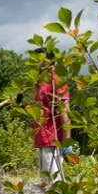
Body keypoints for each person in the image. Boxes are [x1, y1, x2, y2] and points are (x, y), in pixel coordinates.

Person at [19, 48, 72, 182]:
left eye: (37, 61)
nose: (34, 65)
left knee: (52, 184)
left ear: (46, 62)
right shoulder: (42, 84)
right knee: (46, 183)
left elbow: (64, 114)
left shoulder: (56, 82)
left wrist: (66, 144)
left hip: (52, 140)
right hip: (44, 139)